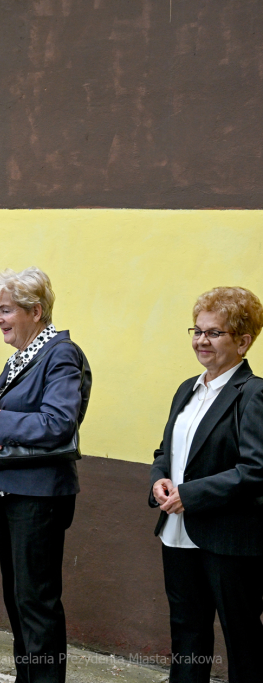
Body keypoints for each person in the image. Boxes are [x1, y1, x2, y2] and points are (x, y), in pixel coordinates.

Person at [0, 267, 91, 683]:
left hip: (39, 496)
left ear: (35, 311)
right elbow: (10, 420)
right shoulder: (25, 355)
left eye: (5, 310)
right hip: (9, 487)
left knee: (36, 601)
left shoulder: (60, 353)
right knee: (18, 597)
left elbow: (57, 423)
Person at [149, 287, 263, 683]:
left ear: (244, 341)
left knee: (243, 640)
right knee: (187, 633)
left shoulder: (253, 394)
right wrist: (159, 481)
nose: (201, 340)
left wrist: (191, 495)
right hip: (177, 534)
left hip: (229, 539)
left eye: (215, 333)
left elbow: (256, 469)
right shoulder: (187, 388)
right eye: (197, 330)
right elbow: (166, 451)